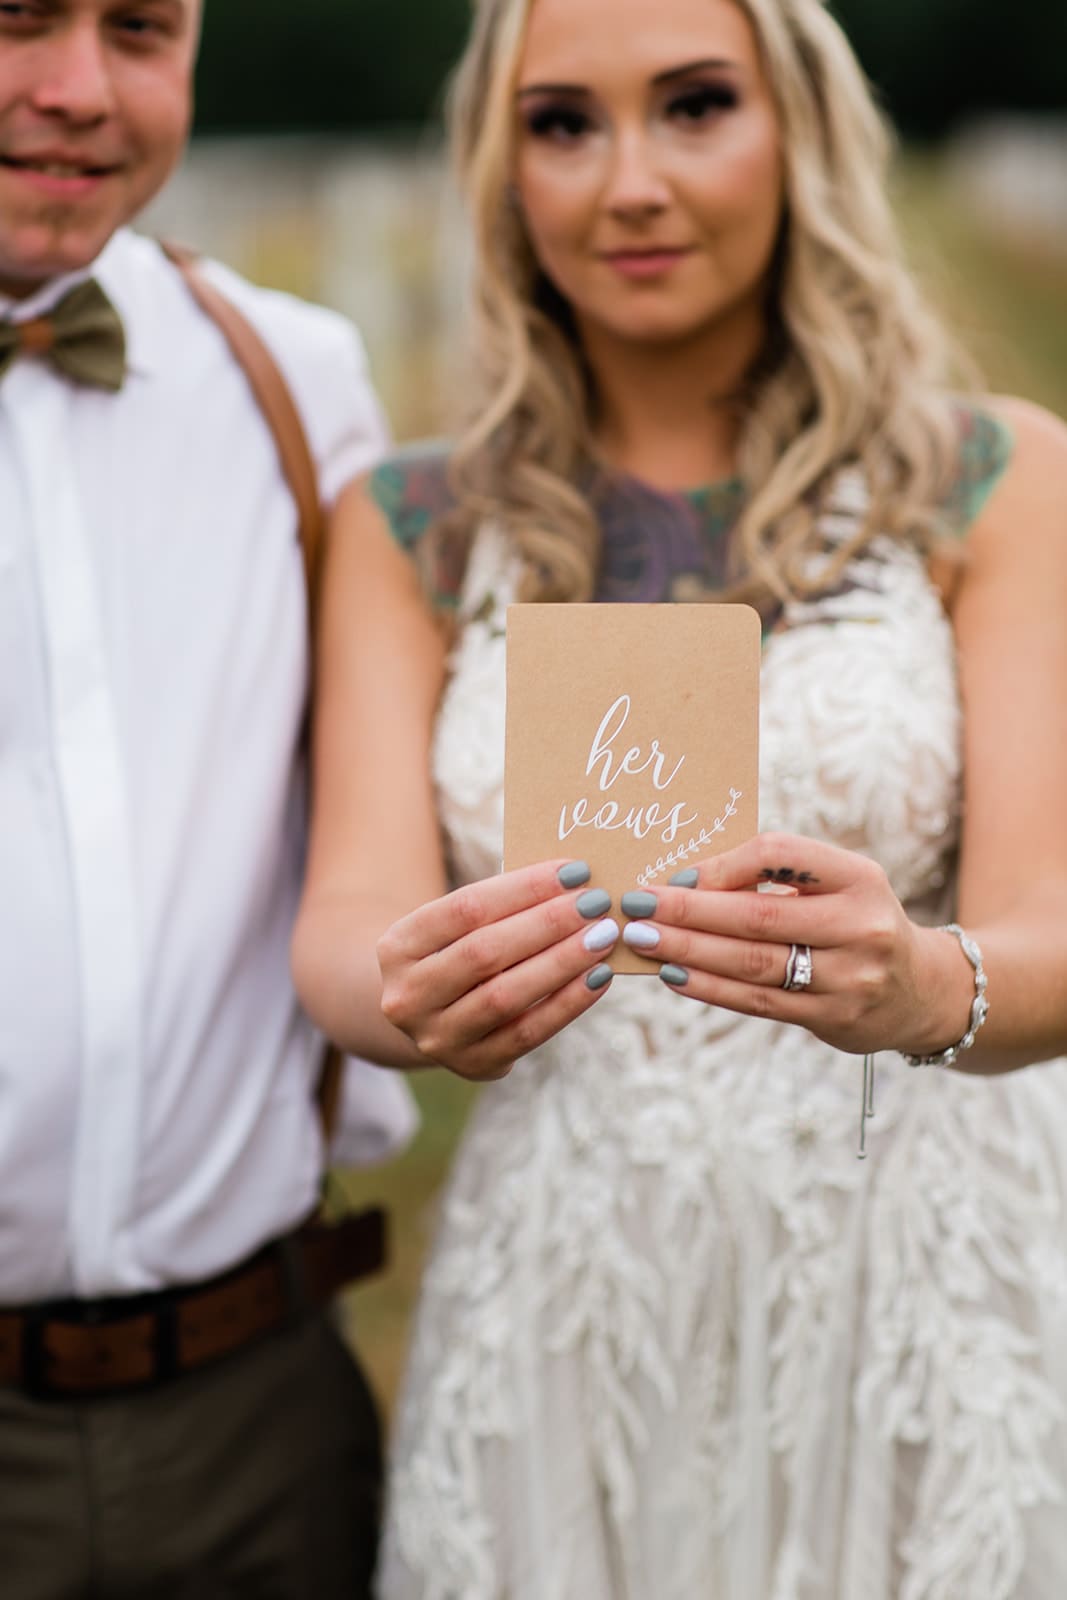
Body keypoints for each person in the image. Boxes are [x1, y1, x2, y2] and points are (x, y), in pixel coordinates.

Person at [292, 0, 1067, 1593]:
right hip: (571, 1285)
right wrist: (414, 995)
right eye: (564, 123)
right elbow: (347, 918)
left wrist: (929, 983)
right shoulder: (412, 522)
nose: (628, 181)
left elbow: (1052, 918)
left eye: (696, 106)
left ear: (799, 128)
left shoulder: (992, 479)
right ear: (503, 163)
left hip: (913, 1281)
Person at [0, 3, 396, 1595]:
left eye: (143, 30)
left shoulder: (300, 383)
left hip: (256, 1408)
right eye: (18, 18)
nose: (78, 90)